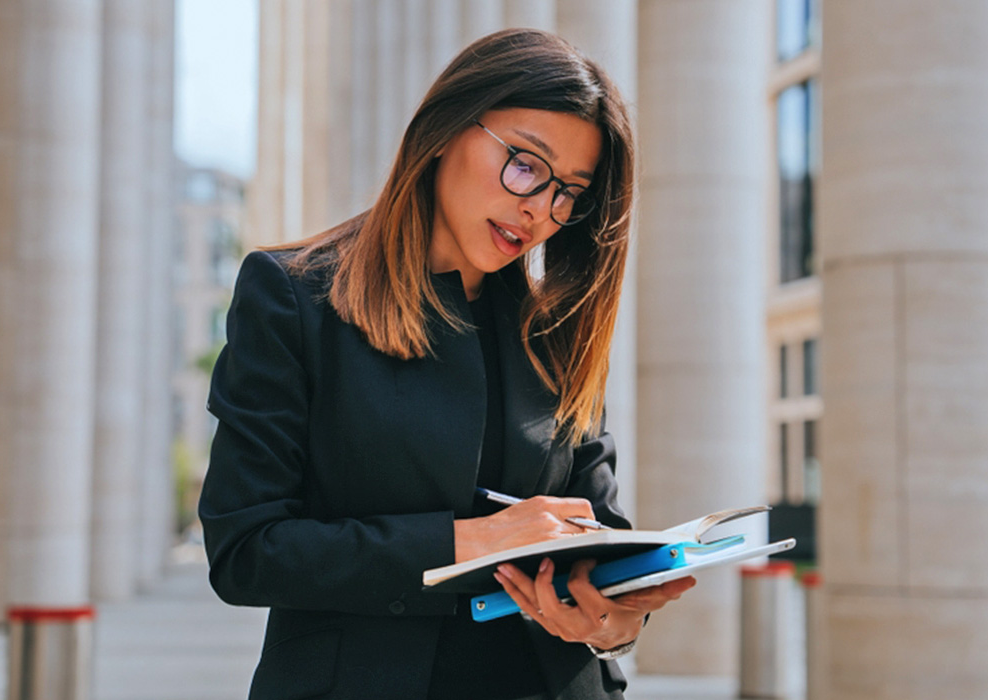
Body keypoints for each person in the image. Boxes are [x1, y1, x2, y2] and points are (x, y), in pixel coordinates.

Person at [199, 28, 696, 700]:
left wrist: (612, 622)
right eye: (526, 164)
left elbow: (594, 524)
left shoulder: (554, 329)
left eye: (567, 193)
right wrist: (472, 542)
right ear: (445, 129)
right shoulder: (294, 297)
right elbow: (247, 552)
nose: (540, 209)